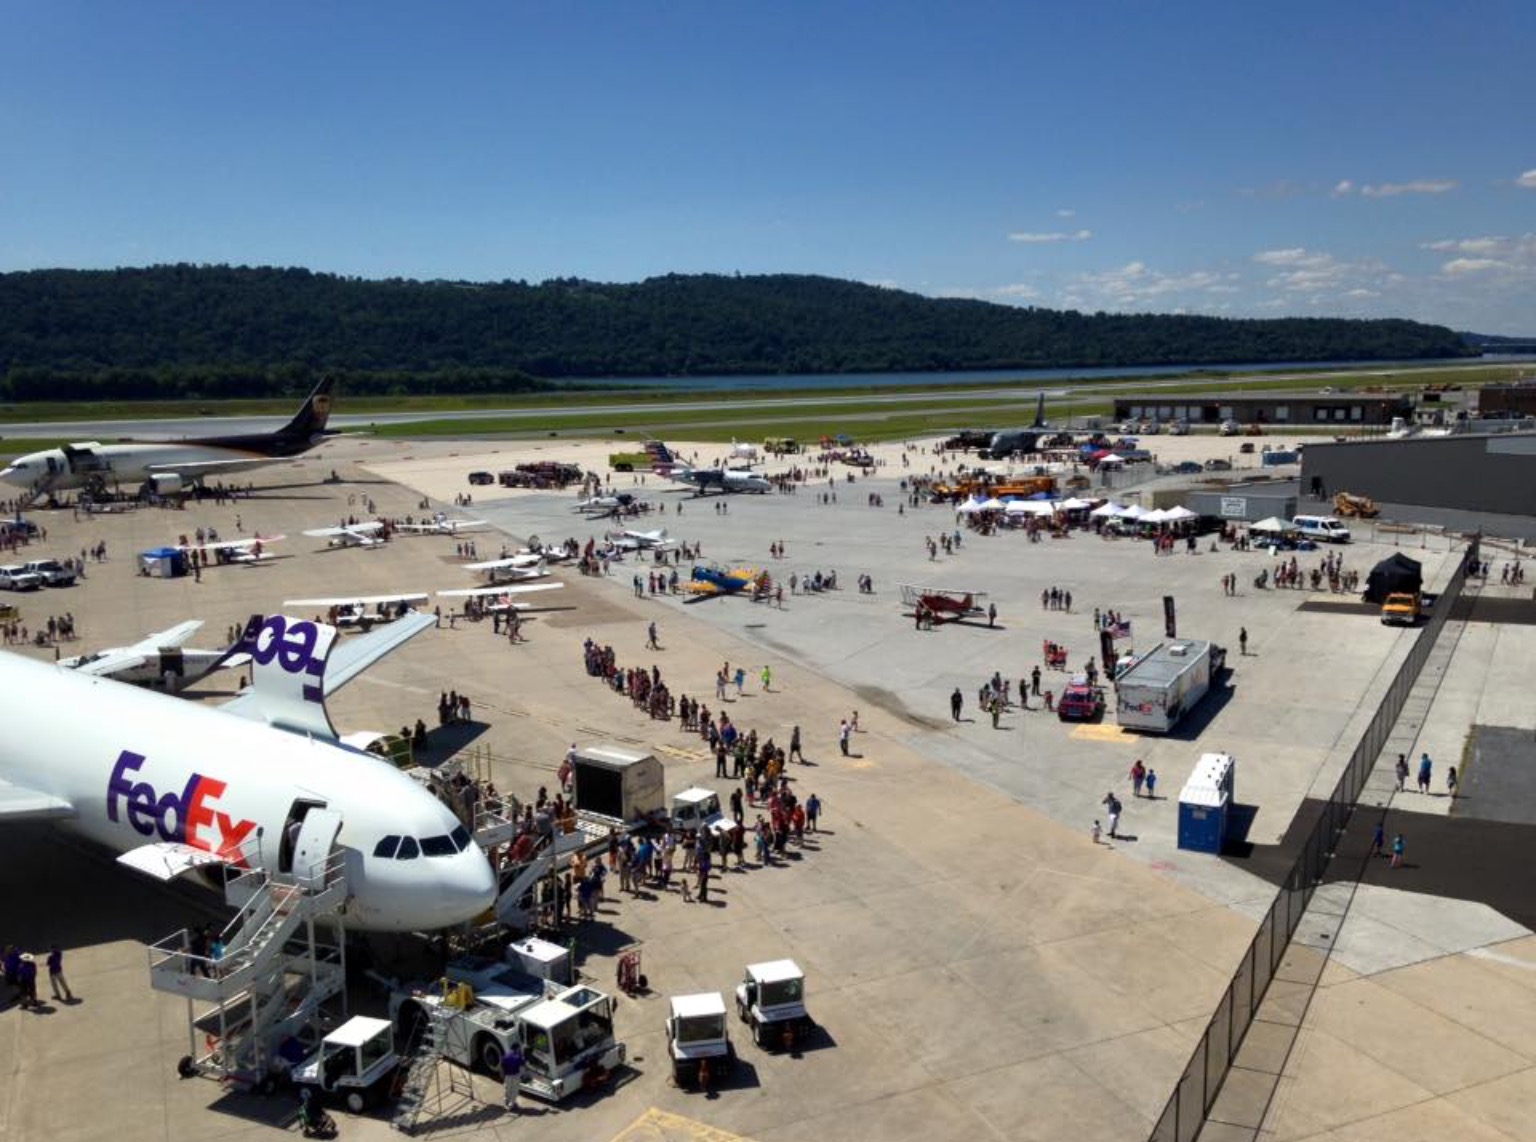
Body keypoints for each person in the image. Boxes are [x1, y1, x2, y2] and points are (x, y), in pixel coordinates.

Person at [501, 1042, 524, 1112]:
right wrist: (521, 1054)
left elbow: (502, 1065)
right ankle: (511, 1105)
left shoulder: (506, 1055)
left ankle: (506, 1102)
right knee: (514, 1090)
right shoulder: (517, 1056)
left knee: (507, 1089)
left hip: (507, 1075)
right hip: (515, 1075)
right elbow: (522, 1063)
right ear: (517, 1048)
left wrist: (502, 1075)